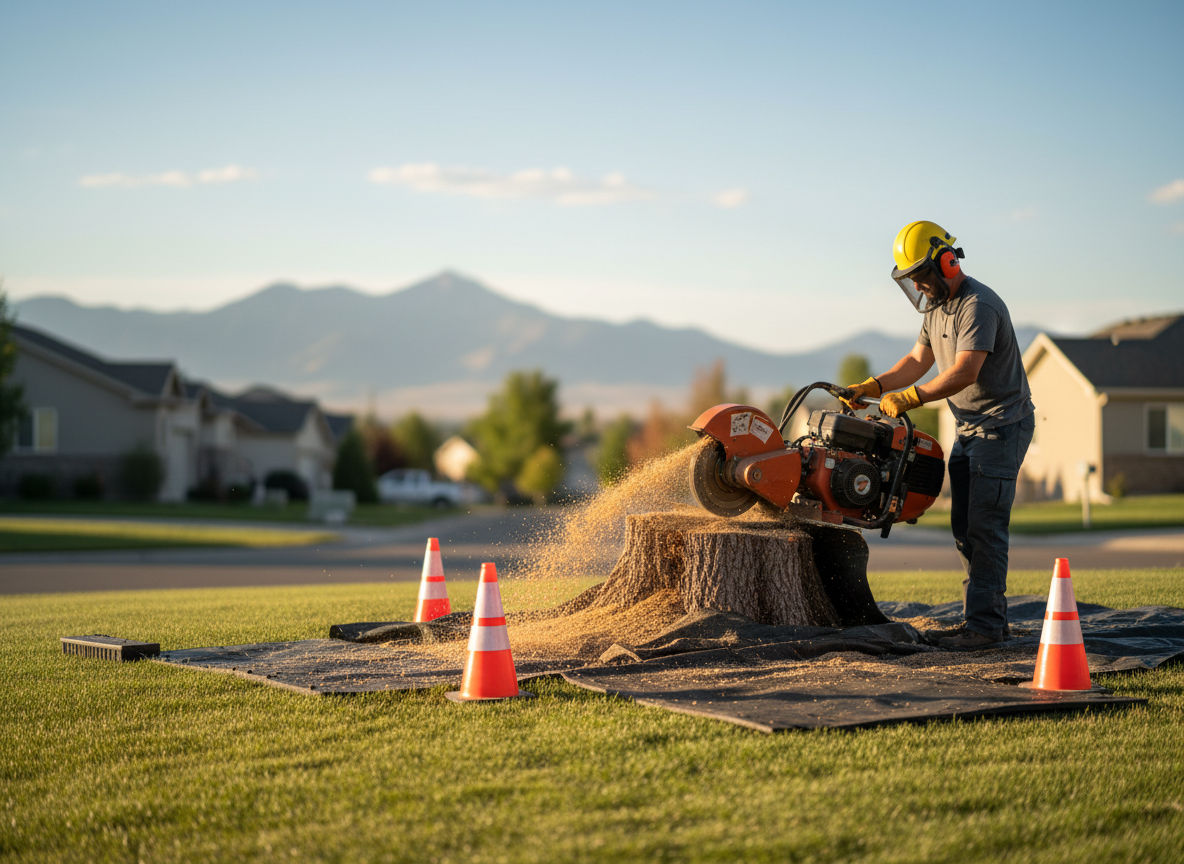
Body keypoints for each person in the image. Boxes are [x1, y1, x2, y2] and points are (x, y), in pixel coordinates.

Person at [844, 220, 1035, 650]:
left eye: (922, 277)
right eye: (912, 281)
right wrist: (873, 387)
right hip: (970, 428)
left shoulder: (977, 305)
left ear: (946, 262)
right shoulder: (936, 307)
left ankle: (984, 629)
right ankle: (984, 622)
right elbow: (916, 360)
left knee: (984, 527)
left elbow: (965, 370)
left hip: (1001, 426)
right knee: (965, 528)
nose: (920, 288)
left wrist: (910, 399)